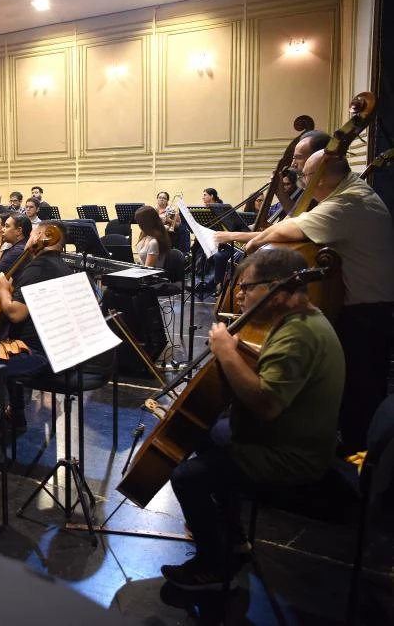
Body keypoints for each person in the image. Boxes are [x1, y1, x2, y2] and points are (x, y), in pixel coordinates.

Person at [161, 248, 344, 590]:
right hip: (280, 435)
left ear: (278, 289)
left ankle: (212, 565)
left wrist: (228, 352)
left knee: (186, 477)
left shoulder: (298, 334)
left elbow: (266, 405)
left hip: (289, 454)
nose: (239, 295)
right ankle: (232, 536)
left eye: (247, 287)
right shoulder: (300, 321)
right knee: (201, 432)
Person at [245, 149, 394, 453]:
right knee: (360, 391)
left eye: (306, 175)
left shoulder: (347, 203)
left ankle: (360, 467)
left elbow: (290, 227)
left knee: (361, 394)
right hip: (372, 308)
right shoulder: (355, 194)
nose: (302, 181)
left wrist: (257, 240)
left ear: (323, 177)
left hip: (366, 313)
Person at [0, 221, 71, 431]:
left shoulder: (38, 267)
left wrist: (2, 289)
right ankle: (16, 414)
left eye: (33, 234)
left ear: (40, 237)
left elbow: (16, 313)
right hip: (56, 348)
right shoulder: (62, 265)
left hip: (37, 353)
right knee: (5, 344)